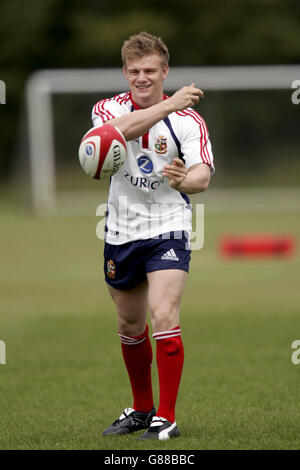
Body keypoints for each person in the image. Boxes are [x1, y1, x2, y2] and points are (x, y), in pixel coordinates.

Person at [91, 31, 215, 440]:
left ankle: (167, 416)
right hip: (121, 230)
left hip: (168, 227)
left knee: (164, 315)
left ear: (165, 71)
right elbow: (110, 135)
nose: (141, 78)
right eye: (134, 71)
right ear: (125, 73)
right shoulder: (107, 108)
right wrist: (168, 103)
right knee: (130, 324)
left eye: (150, 70)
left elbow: (202, 175)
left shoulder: (188, 119)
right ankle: (142, 409)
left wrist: (184, 180)